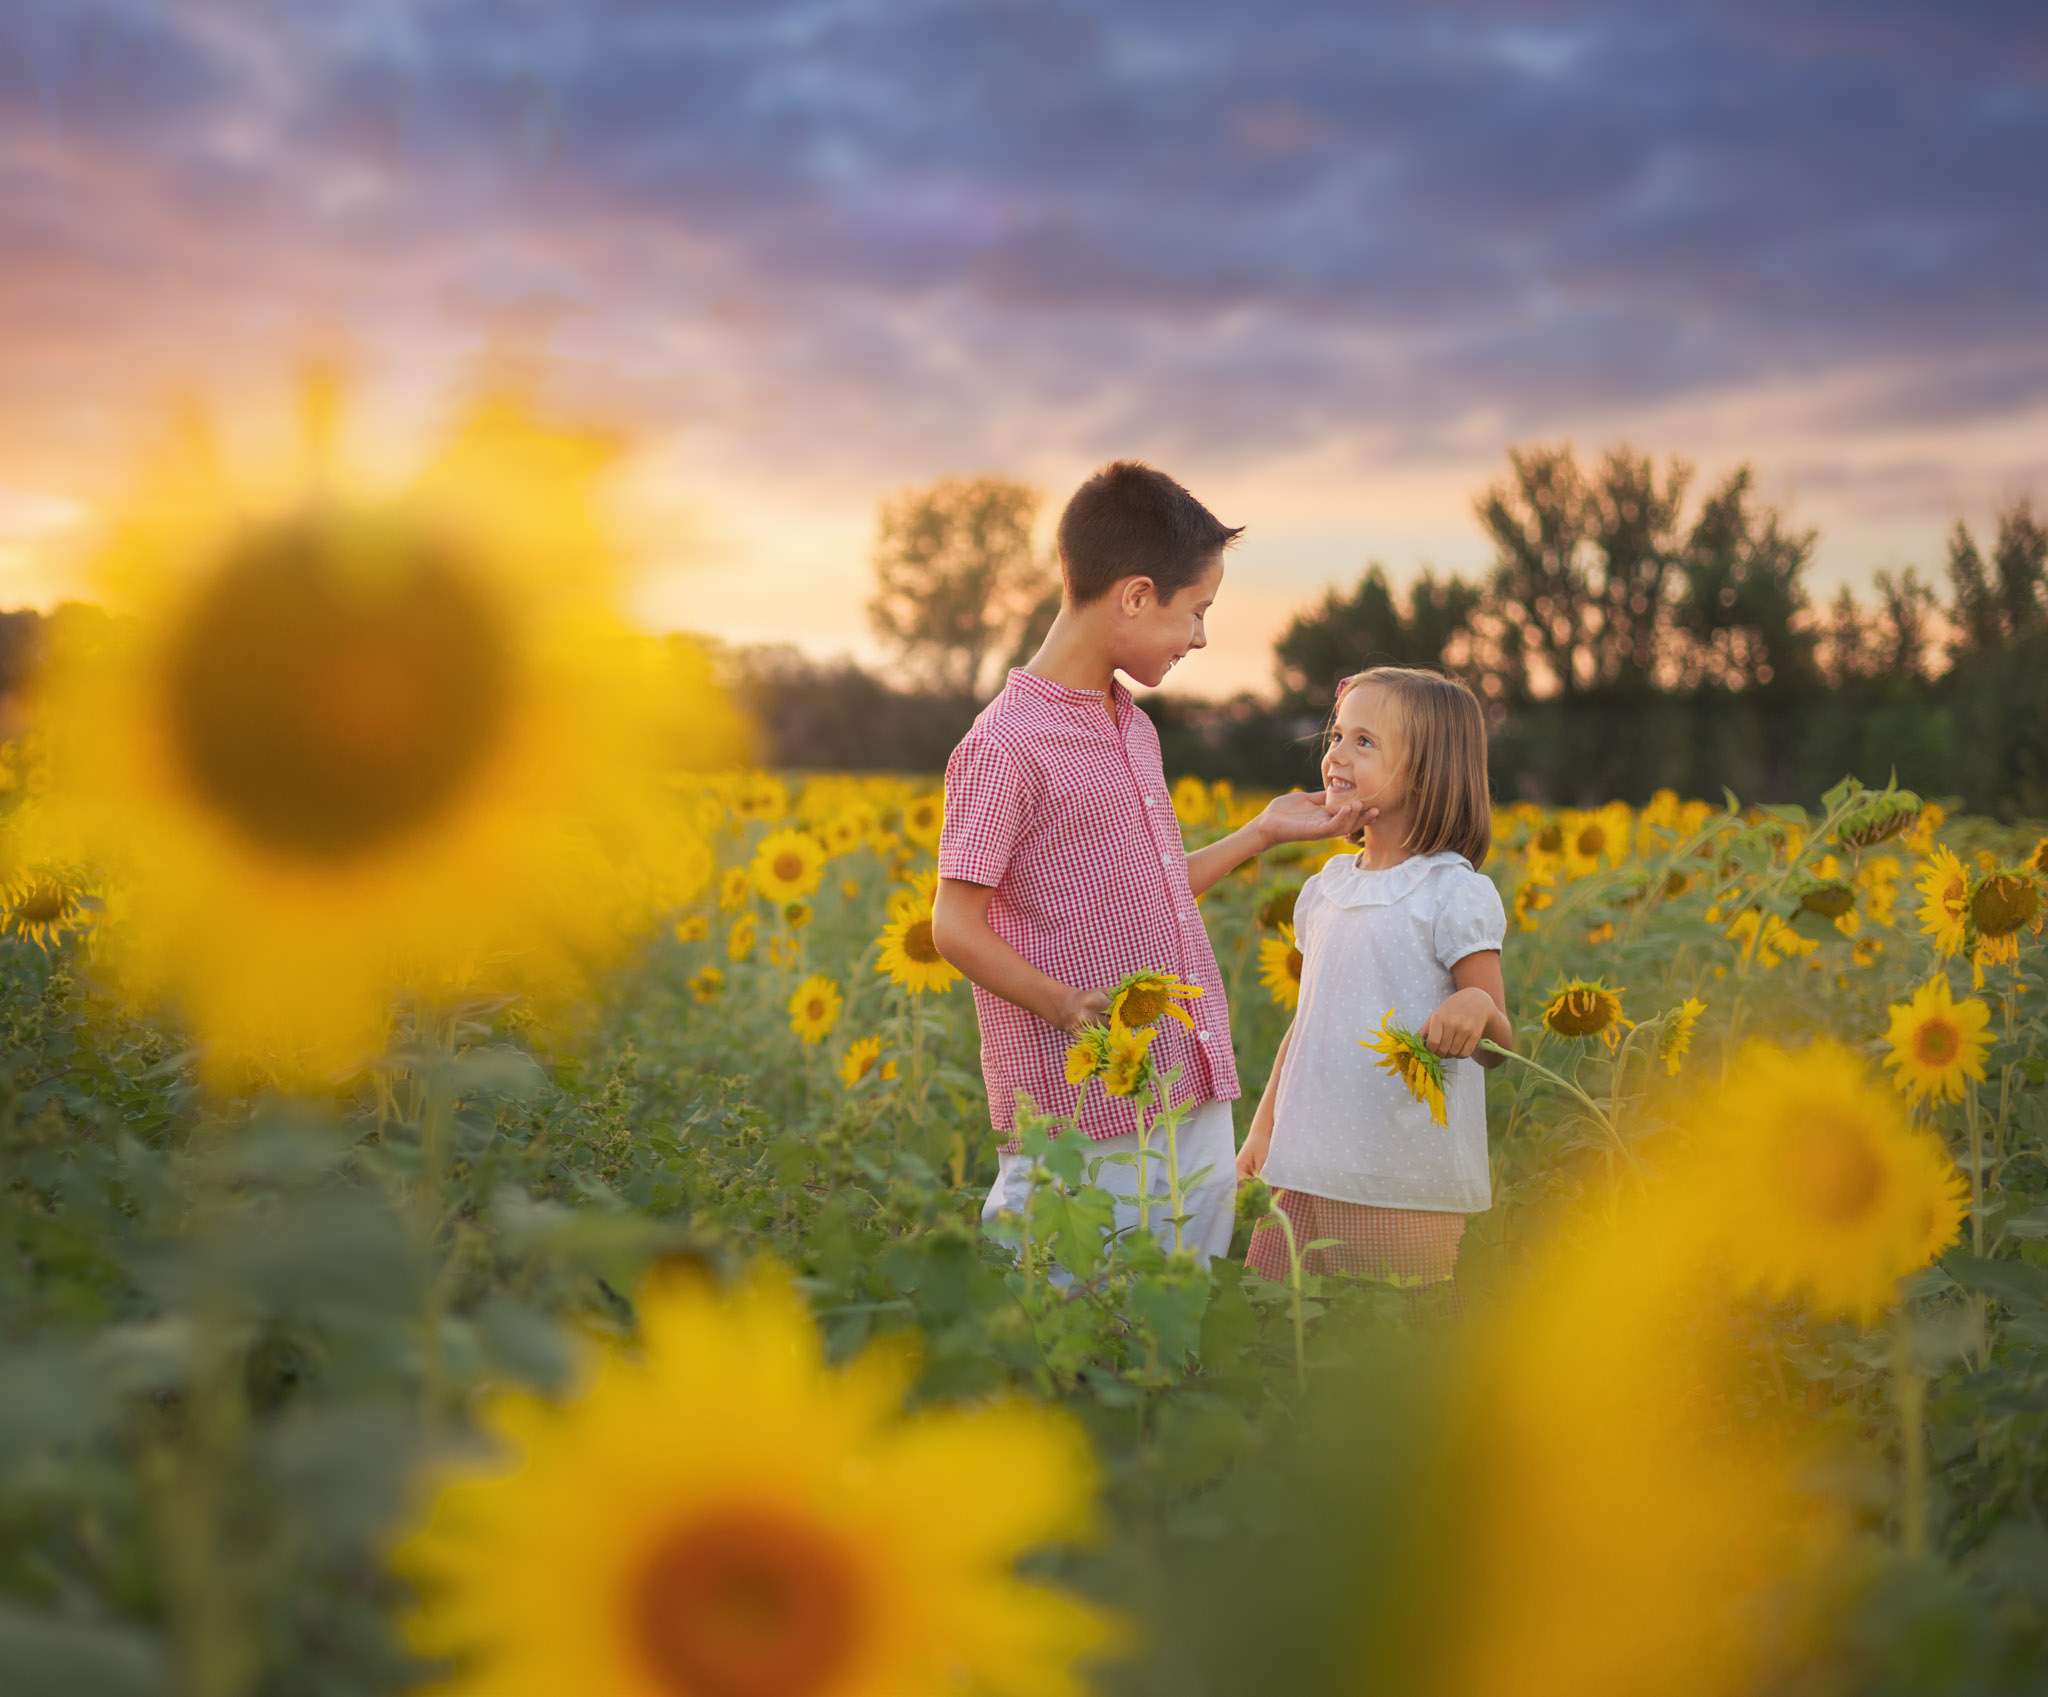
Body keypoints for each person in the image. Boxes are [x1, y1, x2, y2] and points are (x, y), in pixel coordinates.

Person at [931, 461, 1362, 1262]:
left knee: (1178, 1301)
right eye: (1195, 611)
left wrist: (1260, 833)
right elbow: (953, 924)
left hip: (1185, 1068)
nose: (1200, 635)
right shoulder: (1004, 746)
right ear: (1134, 595)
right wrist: (1061, 1004)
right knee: (1064, 1300)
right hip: (1080, 1093)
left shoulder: (1133, 724)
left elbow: (1149, 887)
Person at [1237, 666, 1510, 1302]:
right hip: (1304, 1165)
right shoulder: (1326, 886)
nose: (1334, 754)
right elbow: (1308, 1024)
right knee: (1281, 1337)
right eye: (1336, 735)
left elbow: (1499, 1043)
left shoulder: (1452, 891)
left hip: (1401, 1176)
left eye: (1365, 742)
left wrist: (1474, 1004)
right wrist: (1263, 1129)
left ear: (1427, 772)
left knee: (1386, 1347)